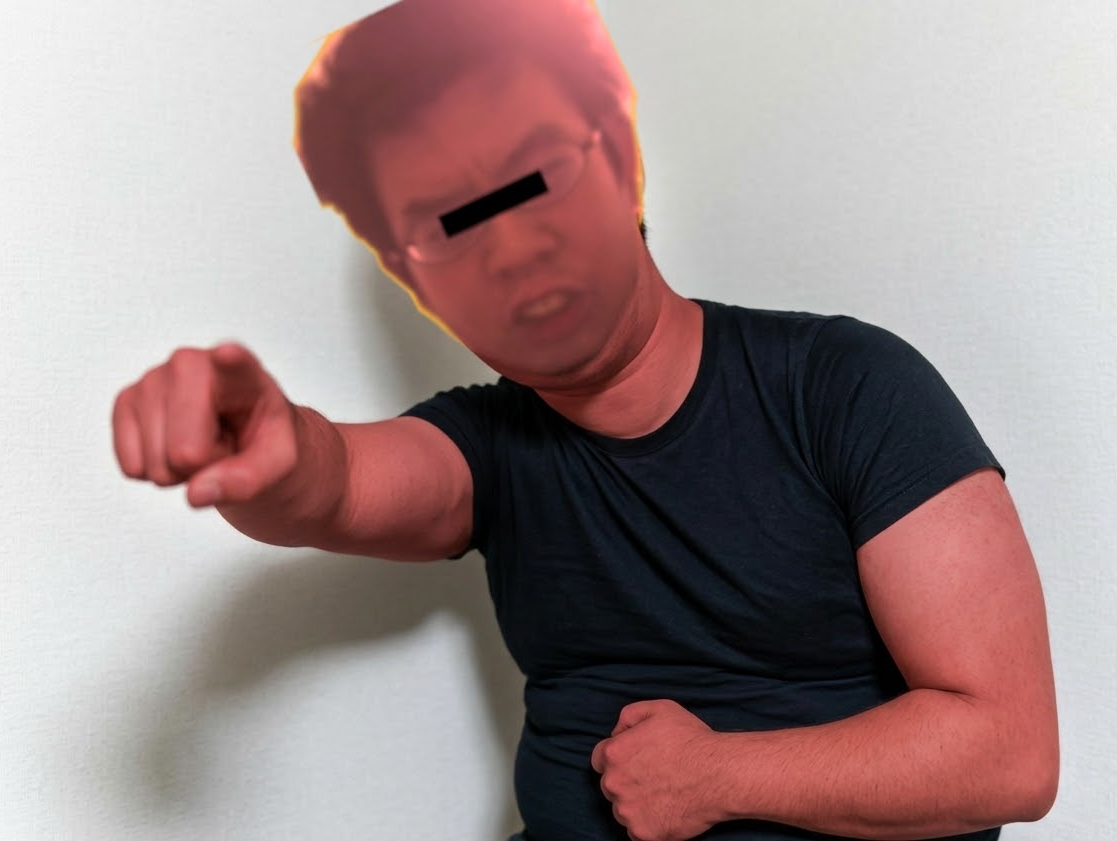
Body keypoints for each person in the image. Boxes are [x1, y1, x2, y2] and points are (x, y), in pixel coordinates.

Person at [111, 2, 1059, 839]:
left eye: (532, 179)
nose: (510, 247)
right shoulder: (490, 447)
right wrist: (268, 451)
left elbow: (1010, 752)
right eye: (449, 227)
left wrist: (719, 776)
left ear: (620, 162)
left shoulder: (845, 387)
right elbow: (339, 482)